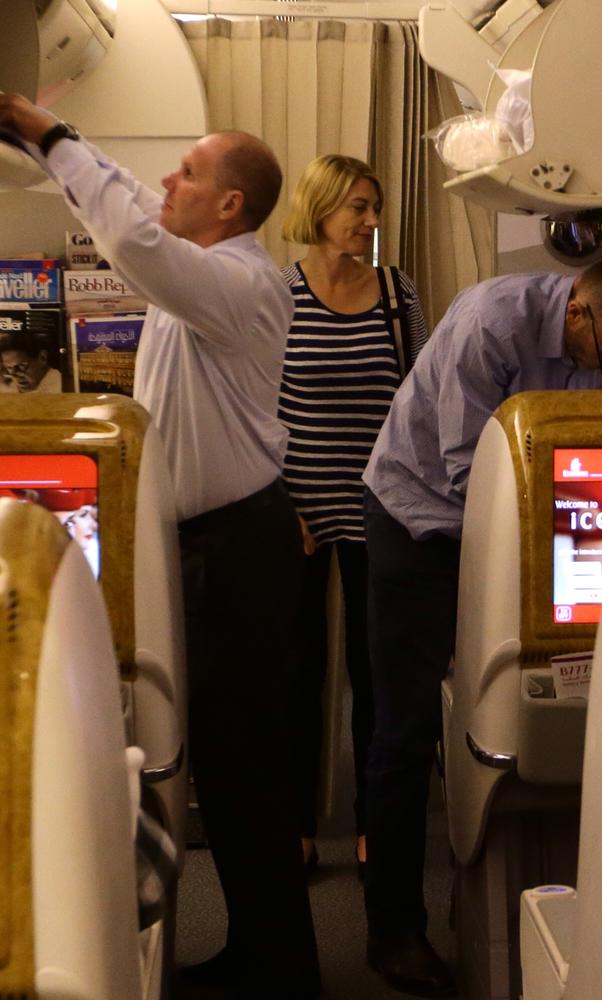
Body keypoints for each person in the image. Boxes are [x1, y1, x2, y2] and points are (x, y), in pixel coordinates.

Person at [0, 94, 320, 1000]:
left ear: (228, 207)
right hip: (209, 547)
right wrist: (49, 141)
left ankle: (283, 972)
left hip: (237, 549)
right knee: (222, 762)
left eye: (189, 172)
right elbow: (138, 211)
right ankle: (265, 954)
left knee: (243, 763)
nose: (168, 181)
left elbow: (135, 238)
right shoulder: (206, 263)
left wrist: (53, 139)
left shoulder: (239, 283)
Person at [361, 257, 602, 998]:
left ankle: (518, 885)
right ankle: (394, 931)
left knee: (543, 706)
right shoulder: (492, 321)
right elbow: (470, 468)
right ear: (578, 313)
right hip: (422, 522)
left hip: (533, 535)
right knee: (408, 726)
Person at [279, 154, 428, 876]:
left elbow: (421, 403)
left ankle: (376, 826)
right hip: (297, 513)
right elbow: (253, 409)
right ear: (321, 208)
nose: (371, 222)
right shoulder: (278, 295)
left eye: (374, 208)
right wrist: (282, 503)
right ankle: (296, 827)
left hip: (384, 510)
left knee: (378, 677)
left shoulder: (399, 295)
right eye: (358, 207)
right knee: (295, 675)